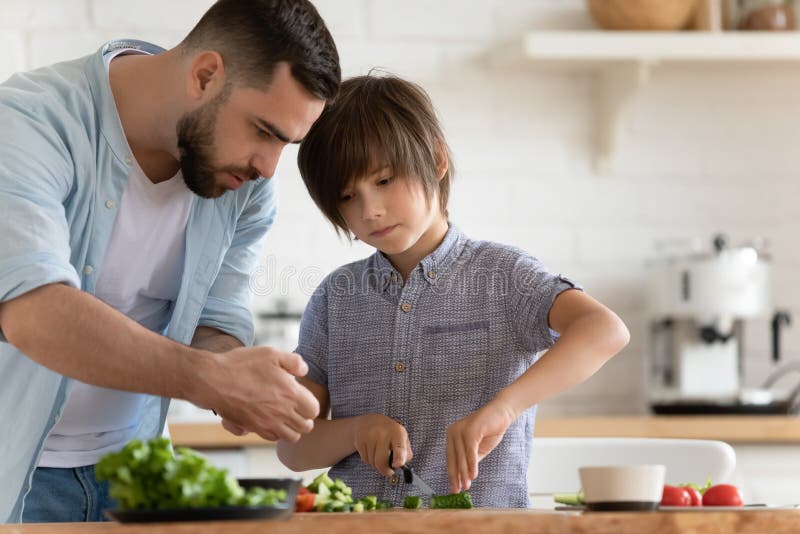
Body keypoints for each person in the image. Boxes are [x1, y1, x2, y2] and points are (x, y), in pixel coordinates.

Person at [0, 0, 340, 523]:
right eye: (265, 131)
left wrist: (237, 373)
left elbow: (216, 320)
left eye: (287, 145)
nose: (269, 168)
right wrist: (208, 378)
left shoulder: (243, 189)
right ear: (206, 75)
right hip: (16, 476)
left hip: (136, 474)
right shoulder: (28, 122)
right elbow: (34, 312)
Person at [275, 74, 630, 508]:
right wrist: (354, 431)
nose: (370, 210)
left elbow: (605, 330)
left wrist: (505, 407)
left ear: (437, 160)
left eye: (384, 180)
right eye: (348, 196)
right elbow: (293, 447)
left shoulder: (504, 275)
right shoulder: (336, 297)